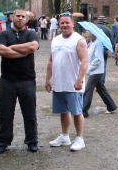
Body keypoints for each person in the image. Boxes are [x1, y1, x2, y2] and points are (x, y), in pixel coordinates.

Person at [0, 9, 40, 154]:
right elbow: (2, 51)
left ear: (26, 20)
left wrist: (12, 48)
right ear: (12, 18)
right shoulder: (4, 34)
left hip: (27, 80)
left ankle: (32, 141)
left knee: (30, 113)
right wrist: (23, 52)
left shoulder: (31, 34)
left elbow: (33, 47)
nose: (20, 18)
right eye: (17, 16)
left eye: (23, 17)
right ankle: (3, 142)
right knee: (6, 112)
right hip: (8, 81)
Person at [45, 12, 88, 151]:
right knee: (63, 111)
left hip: (73, 84)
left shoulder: (79, 40)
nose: (64, 25)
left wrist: (79, 80)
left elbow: (84, 62)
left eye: (67, 22)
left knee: (76, 112)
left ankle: (80, 139)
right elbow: (51, 61)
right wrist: (48, 79)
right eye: (62, 23)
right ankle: (64, 136)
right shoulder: (55, 40)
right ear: (58, 25)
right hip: (59, 83)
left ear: (72, 24)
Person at [82, 30, 117, 117]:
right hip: (94, 70)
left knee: (88, 90)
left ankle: (83, 111)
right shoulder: (91, 43)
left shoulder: (98, 43)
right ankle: (111, 106)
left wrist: (90, 68)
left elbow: (98, 59)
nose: (86, 33)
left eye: (87, 32)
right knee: (101, 90)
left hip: (96, 71)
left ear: (92, 33)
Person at [95, 15, 113, 84]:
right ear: (104, 22)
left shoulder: (94, 28)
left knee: (95, 66)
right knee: (103, 66)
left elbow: (88, 40)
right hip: (104, 50)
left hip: (95, 50)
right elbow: (112, 42)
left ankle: (95, 82)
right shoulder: (108, 30)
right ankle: (101, 83)